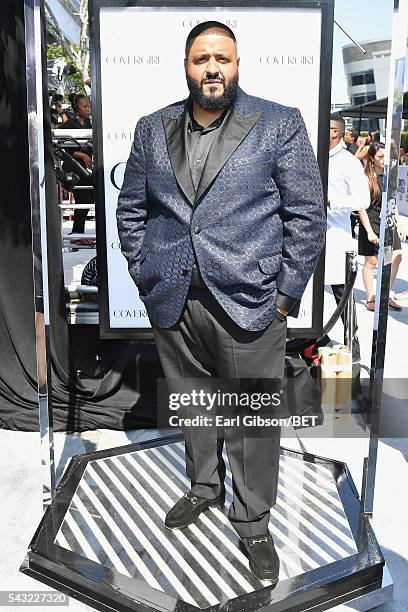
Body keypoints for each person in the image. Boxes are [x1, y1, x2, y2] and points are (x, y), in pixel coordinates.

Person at [117, 21, 325, 582]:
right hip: (173, 297)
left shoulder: (278, 123)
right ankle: (204, 486)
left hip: (252, 300)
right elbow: (131, 209)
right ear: (186, 65)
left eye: (222, 59)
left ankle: (253, 522)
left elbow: (307, 215)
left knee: (253, 418)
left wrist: (284, 295)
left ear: (237, 63)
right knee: (193, 402)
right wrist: (144, 271)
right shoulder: (151, 128)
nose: (212, 68)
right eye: (201, 58)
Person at [326, 114, 370, 397]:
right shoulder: (310, 156)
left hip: (337, 243)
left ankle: (350, 376)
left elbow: (363, 200)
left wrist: (334, 202)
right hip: (306, 243)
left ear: (336, 132)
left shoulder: (349, 163)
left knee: (346, 310)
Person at [358, 142, 404, 311]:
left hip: (388, 221)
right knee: (371, 262)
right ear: (371, 158)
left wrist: (398, 223)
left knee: (396, 256)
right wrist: (369, 231)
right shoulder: (365, 178)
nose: (384, 160)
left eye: (386, 156)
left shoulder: (390, 176)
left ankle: (384, 293)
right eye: (380, 156)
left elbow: (393, 201)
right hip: (370, 221)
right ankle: (371, 298)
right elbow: (361, 206)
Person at [62, 94, 94, 242]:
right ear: (77, 108)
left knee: (87, 202)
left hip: (86, 171)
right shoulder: (69, 125)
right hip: (73, 170)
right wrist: (82, 155)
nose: (88, 109)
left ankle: (78, 235)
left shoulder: (89, 124)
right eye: (85, 107)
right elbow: (62, 148)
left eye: (89, 106)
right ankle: (77, 236)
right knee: (82, 202)